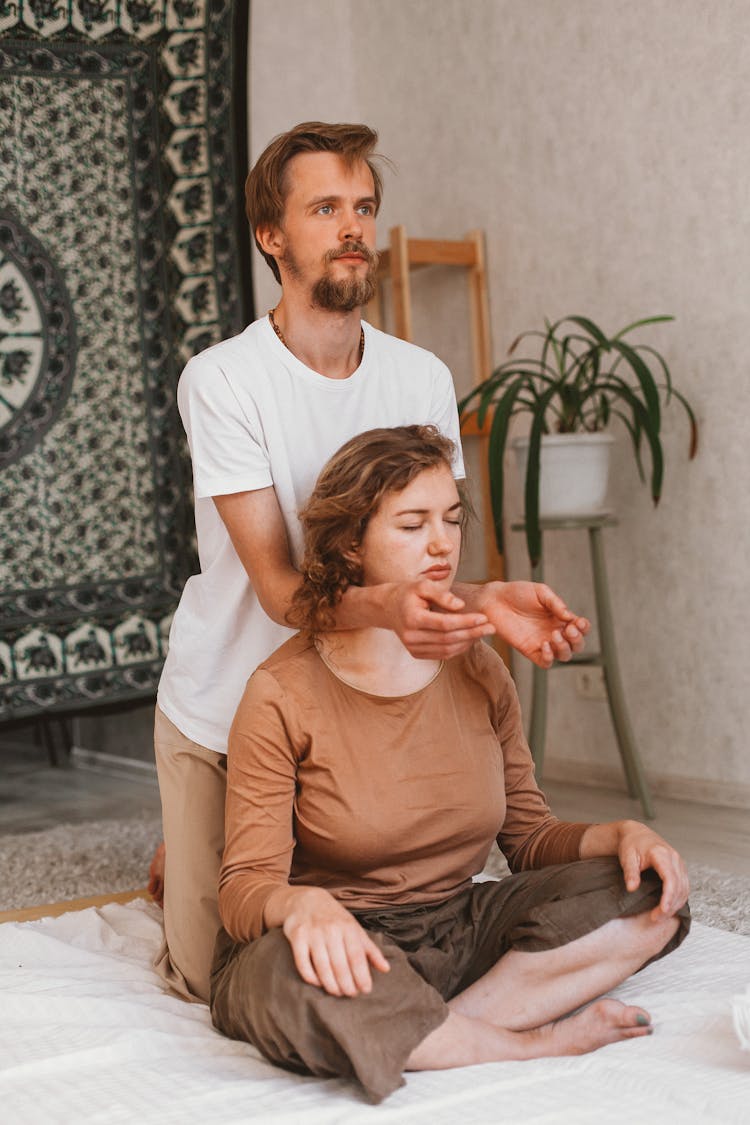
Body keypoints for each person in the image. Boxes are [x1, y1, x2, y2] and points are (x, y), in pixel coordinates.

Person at [151, 121, 592, 1003]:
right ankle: (182, 858)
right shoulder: (223, 379)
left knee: (371, 904)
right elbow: (282, 591)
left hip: (356, 690)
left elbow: (422, 552)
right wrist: (400, 608)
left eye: (364, 207)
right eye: (325, 208)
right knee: (213, 973)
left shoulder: (420, 373)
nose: (353, 227)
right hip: (234, 694)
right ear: (272, 236)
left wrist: (485, 598)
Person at [210, 425, 690, 1103]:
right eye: (412, 524)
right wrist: (301, 905)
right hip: (342, 937)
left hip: (458, 923)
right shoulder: (280, 693)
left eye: (452, 519)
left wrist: (620, 835)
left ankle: (424, 1030)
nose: (442, 542)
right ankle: (522, 1040)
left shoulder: (478, 667)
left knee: (651, 897)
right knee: (289, 974)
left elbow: (527, 839)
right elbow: (241, 890)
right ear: (352, 543)